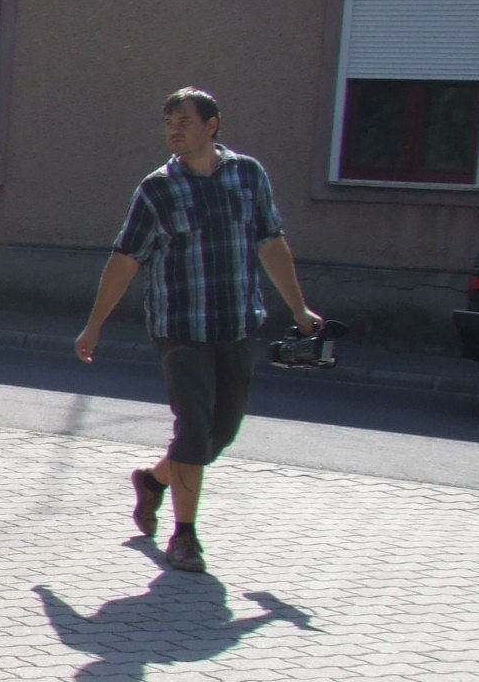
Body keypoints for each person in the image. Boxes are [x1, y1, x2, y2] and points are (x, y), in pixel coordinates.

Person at [75, 87, 321, 574]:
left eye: (183, 121)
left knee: (218, 435)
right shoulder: (157, 189)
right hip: (180, 328)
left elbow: (271, 242)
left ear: (212, 126)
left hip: (234, 324)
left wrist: (299, 308)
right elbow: (125, 259)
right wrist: (94, 324)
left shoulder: (248, 175)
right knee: (192, 430)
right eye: (168, 123)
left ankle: (153, 482)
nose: (174, 130)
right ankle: (184, 536)